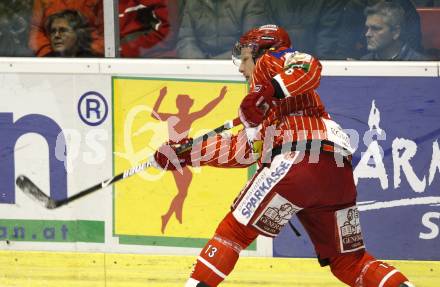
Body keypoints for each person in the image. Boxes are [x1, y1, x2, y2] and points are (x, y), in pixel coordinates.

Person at [153, 24, 415, 287]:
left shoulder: (271, 61)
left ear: (261, 51)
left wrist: (269, 90)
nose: (241, 69)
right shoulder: (260, 106)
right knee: (349, 262)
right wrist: (186, 154)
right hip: (336, 172)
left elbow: (308, 65)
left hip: (296, 162)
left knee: (232, 234)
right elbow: (245, 148)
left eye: (244, 59)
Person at [150, 85, 226, 233]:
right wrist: (161, 95)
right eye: (188, 103)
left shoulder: (184, 117)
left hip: (182, 154)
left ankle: (170, 214)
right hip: (174, 155)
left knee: (183, 190)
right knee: (183, 191)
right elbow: (154, 114)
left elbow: (205, 110)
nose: (189, 105)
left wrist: (220, 97)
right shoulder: (179, 117)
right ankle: (168, 216)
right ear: (184, 105)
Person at [176, 0, 269, 59]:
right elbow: (185, 39)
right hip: (199, 66)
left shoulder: (250, 2)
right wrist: (198, 63)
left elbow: (252, 44)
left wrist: (215, 64)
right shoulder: (192, 3)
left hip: (237, 68)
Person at [266, 0, 346, 60]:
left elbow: (328, 33)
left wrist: (323, 62)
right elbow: (263, 29)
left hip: (315, 60)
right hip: (278, 60)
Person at [28, 0, 103, 57]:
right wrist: (50, 56)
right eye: (53, 32)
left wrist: (88, 53)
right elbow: (37, 31)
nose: (57, 35)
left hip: (91, 60)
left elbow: (107, 31)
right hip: (52, 58)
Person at [361, 1, 427, 60]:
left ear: (396, 32)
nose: (367, 34)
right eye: (367, 28)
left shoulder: (420, 64)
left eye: (376, 28)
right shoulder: (363, 62)